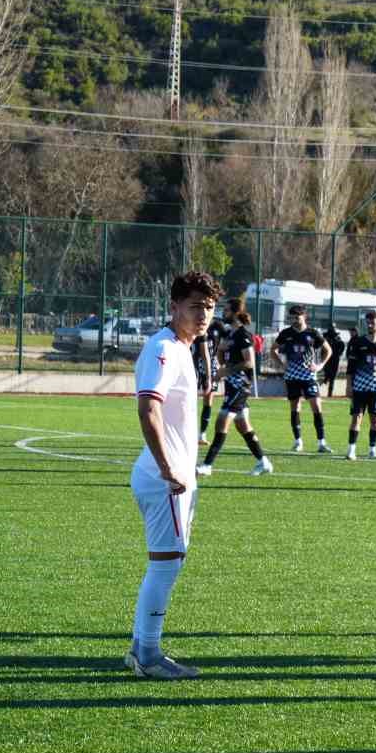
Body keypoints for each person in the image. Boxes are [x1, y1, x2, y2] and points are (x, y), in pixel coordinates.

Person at [125, 270, 223, 679]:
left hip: (174, 477)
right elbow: (148, 408)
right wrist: (168, 469)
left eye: (210, 308)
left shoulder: (183, 347)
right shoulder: (164, 348)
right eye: (196, 306)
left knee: (170, 562)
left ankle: (140, 648)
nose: (204, 315)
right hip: (165, 478)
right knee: (165, 565)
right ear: (175, 307)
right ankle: (147, 655)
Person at [197, 298, 273, 477]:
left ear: (235, 313)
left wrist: (226, 371)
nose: (223, 313)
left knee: (221, 422)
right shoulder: (230, 334)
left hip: (240, 386)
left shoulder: (243, 335)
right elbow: (223, 357)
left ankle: (207, 465)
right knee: (243, 426)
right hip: (232, 386)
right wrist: (222, 353)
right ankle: (264, 462)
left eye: (227, 310)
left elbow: (249, 362)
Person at [271, 305, 332, 454]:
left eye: (296, 317)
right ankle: (298, 441)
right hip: (292, 377)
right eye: (291, 317)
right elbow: (273, 350)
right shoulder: (286, 333)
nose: (293, 320)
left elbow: (328, 350)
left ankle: (321, 443)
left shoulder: (313, 333)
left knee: (317, 406)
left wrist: (320, 365)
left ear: (304, 316)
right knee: (295, 407)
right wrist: (281, 365)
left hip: (309, 377)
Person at [344, 311, 376, 461]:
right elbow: (350, 368)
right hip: (359, 388)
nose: (370, 325)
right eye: (368, 322)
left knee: (375, 421)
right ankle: (351, 450)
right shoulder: (358, 342)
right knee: (356, 418)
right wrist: (348, 386)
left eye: (372, 322)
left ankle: (372, 450)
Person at [194, 314, 226, 445]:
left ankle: (202, 434)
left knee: (209, 399)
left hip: (211, 365)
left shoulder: (218, 326)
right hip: (194, 364)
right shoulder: (196, 325)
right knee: (189, 399)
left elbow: (227, 340)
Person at [321, 322, 346, 398]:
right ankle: (325, 381)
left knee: (333, 376)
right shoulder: (325, 336)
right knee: (327, 374)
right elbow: (321, 345)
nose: (332, 329)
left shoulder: (337, 337)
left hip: (335, 358)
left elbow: (342, 345)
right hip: (327, 358)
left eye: (333, 328)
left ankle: (330, 393)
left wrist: (339, 353)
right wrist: (322, 354)